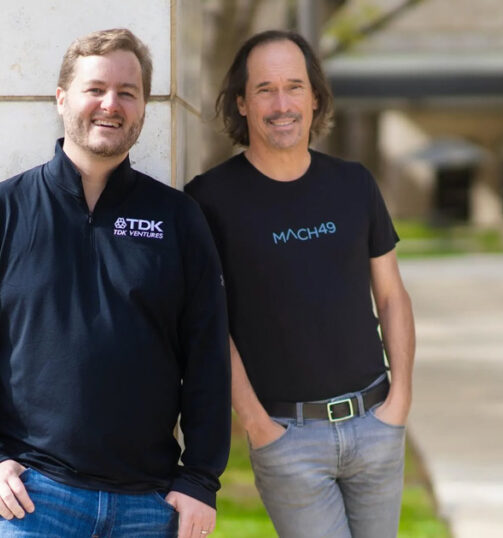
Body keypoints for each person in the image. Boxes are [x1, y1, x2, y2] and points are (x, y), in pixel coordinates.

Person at [0, 28, 230, 538]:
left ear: (142, 108)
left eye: (128, 92)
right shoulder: (1, 210)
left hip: (148, 504)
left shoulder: (178, 219)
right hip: (32, 500)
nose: (110, 104)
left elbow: (207, 355)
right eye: (95, 89)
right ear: (62, 98)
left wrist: (201, 478)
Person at [185, 30, 415, 538]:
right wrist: (256, 424)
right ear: (241, 103)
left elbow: (392, 295)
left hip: (376, 420)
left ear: (315, 98)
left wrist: (400, 400)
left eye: (294, 86)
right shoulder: (209, 200)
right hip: (287, 437)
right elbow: (205, 323)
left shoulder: (354, 183)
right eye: (265, 89)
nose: (282, 103)